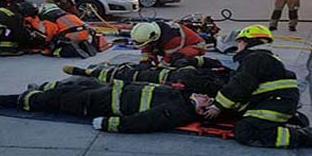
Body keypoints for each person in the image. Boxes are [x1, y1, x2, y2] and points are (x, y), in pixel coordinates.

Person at [203, 25, 312, 150]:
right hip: (279, 101)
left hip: (274, 104)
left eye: (241, 42)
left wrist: (217, 106)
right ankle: (293, 119)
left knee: (245, 131)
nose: (238, 46)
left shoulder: (255, 59)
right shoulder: (264, 58)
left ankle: (302, 137)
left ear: (250, 42)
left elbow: (240, 85)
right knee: (239, 115)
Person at [0, 78, 207, 134]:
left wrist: (109, 124)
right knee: (71, 85)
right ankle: (41, 89)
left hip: (99, 103)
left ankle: (14, 99)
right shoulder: (180, 97)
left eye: (207, 100)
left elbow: (145, 121)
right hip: (106, 90)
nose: (205, 96)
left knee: (55, 100)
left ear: (201, 109)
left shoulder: (179, 111)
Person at [62, 56, 231, 97]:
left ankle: (86, 73)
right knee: (132, 69)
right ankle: (92, 71)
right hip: (168, 72)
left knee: (126, 77)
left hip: (167, 81)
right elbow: (207, 62)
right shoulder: (224, 72)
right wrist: (189, 61)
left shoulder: (220, 88)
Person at [130, 21, 206, 66]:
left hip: (196, 45)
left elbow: (168, 58)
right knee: (153, 49)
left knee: (176, 57)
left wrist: (159, 68)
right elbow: (147, 47)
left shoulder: (172, 38)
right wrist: (145, 61)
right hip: (175, 44)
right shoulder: (152, 31)